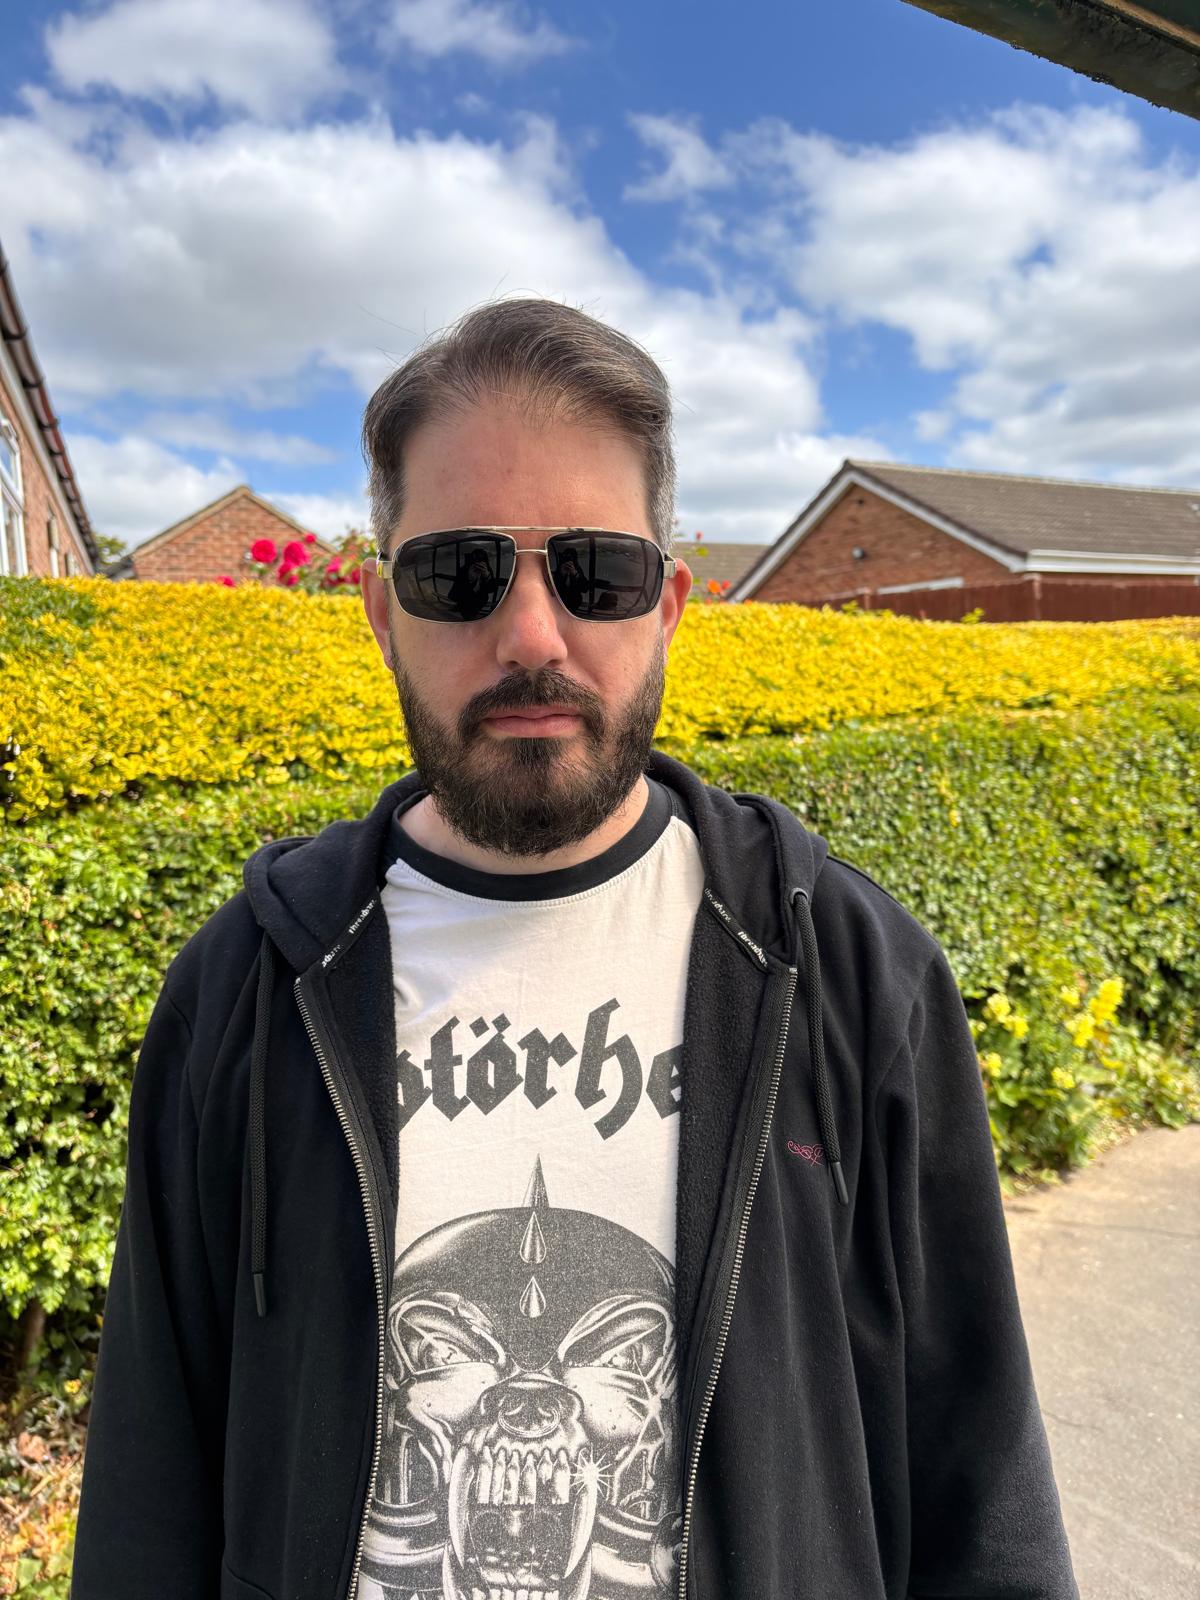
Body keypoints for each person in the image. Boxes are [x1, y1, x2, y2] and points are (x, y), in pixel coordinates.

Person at [71, 298, 1079, 1600]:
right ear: (380, 612)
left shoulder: (844, 969)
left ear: (668, 606)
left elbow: (978, 1482)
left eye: (595, 572)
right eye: (459, 574)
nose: (534, 636)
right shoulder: (249, 988)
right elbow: (150, 1489)